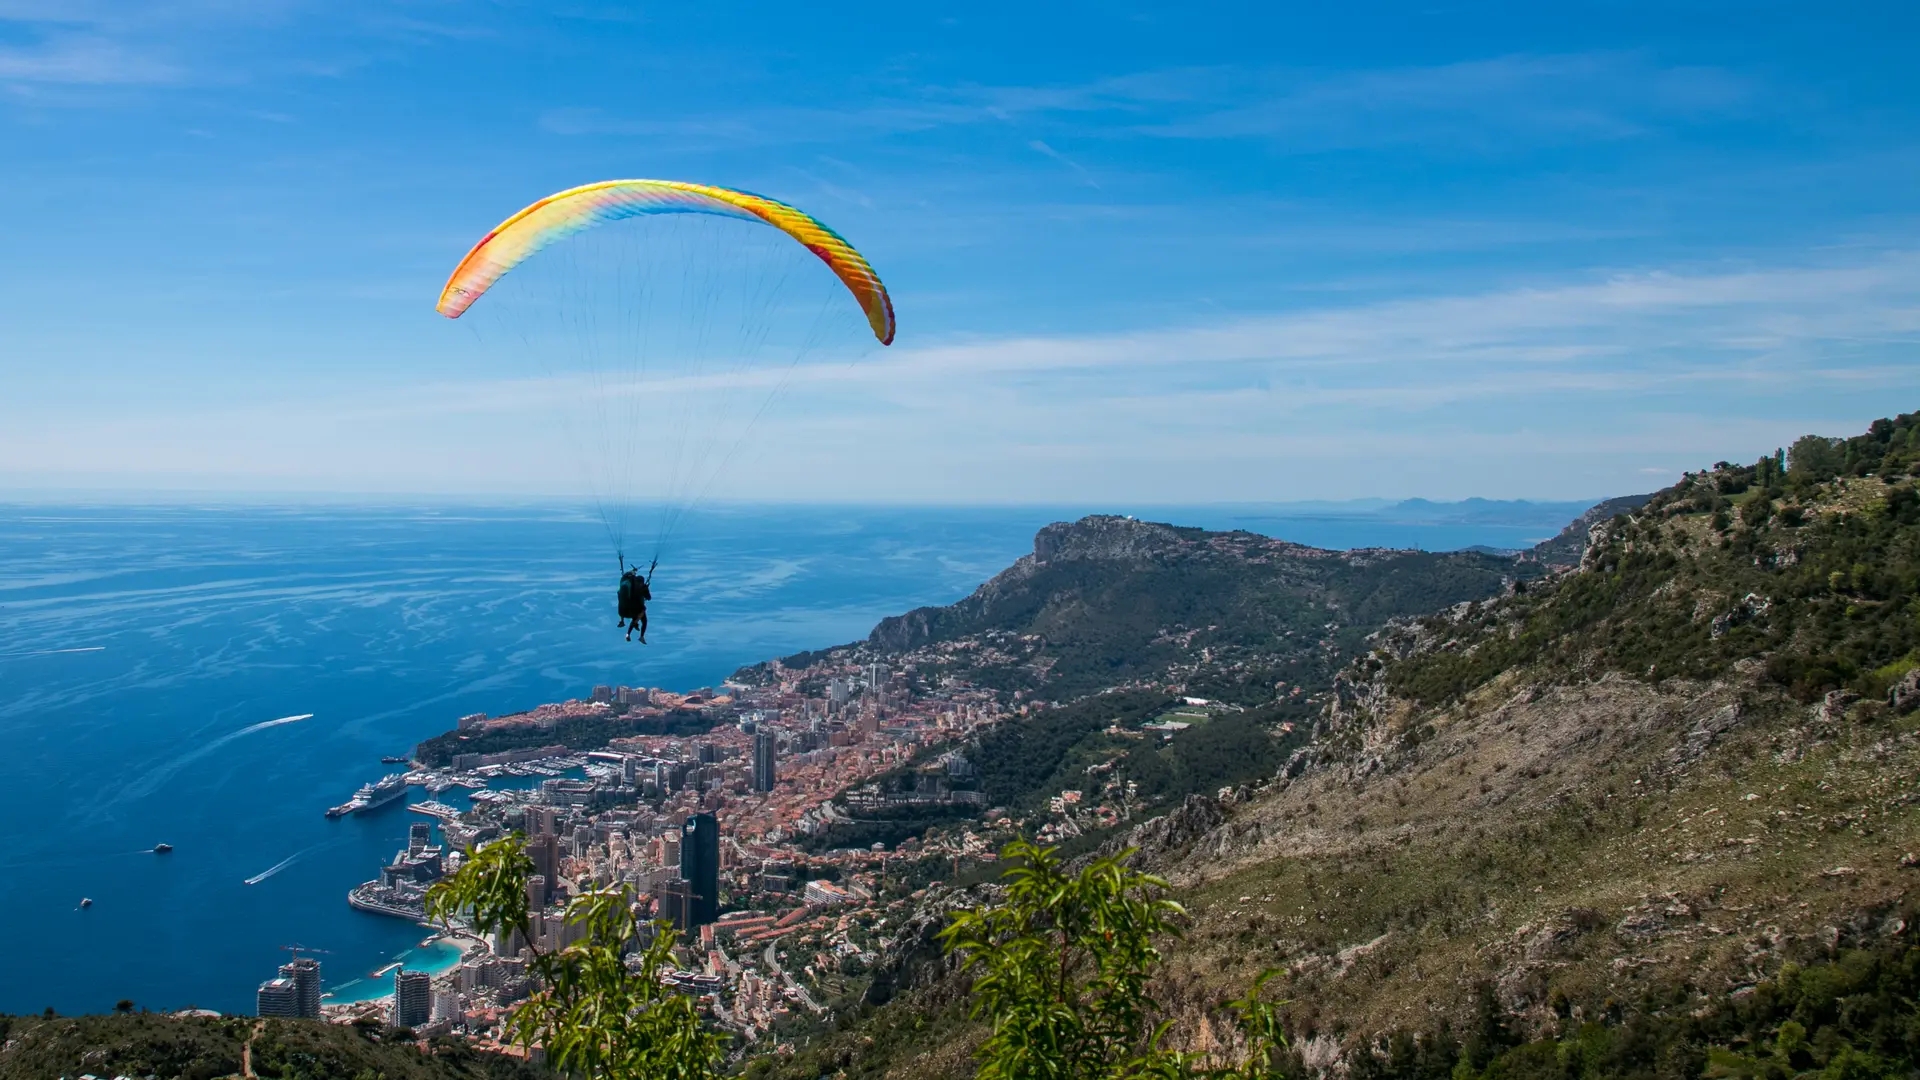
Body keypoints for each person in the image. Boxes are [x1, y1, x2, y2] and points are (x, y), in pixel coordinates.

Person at [618, 562, 652, 644]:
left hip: (626, 608)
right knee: (644, 620)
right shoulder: (642, 587)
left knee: (635, 618)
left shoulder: (631, 584)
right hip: (637, 608)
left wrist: (633, 571)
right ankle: (641, 636)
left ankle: (627, 631)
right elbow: (649, 597)